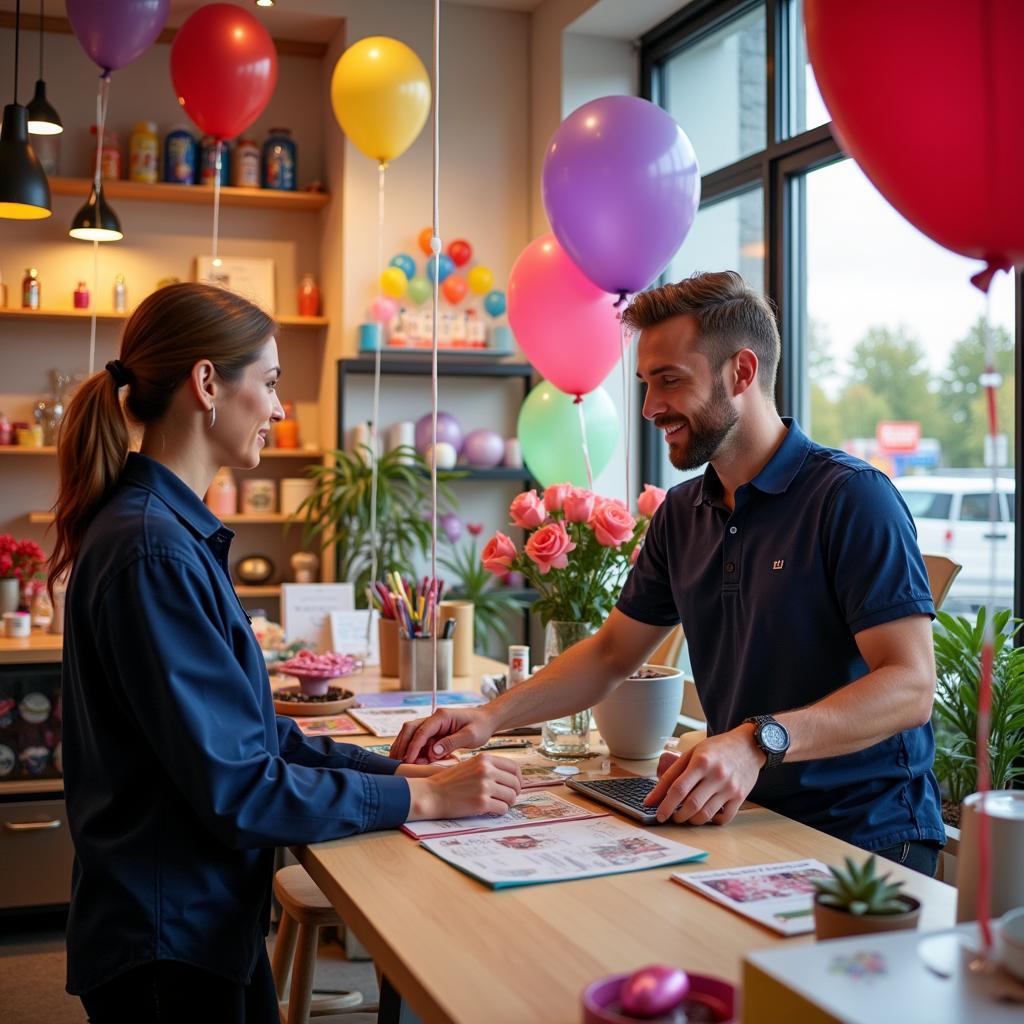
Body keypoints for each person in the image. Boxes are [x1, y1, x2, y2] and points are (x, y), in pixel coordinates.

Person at [51, 283, 522, 1023]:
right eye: (269, 383)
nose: (277, 408)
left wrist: (396, 770)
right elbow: (238, 788)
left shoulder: (165, 535)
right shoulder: (154, 552)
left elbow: (253, 736)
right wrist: (423, 798)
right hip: (168, 939)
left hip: (194, 923)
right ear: (207, 384)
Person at [391, 270, 945, 877]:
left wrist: (755, 742)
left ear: (742, 372)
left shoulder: (852, 497)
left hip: (867, 836)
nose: (651, 407)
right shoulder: (683, 514)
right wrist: (490, 717)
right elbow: (608, 656)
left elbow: (911, 686)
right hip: (737, 816)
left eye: (670, 381)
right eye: (646, 384)